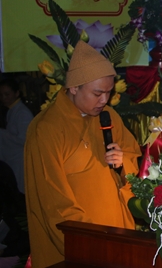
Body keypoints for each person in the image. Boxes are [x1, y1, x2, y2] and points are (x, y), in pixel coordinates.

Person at [24, 41, 140, 268]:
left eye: (109, 92)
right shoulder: (47, 129)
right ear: (74, 87)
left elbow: (132, 156)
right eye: (97, 93)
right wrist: (91, 244)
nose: (104, 100)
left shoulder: (109, 116)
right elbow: (54, 202)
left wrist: (122, 163)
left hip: (116, 233)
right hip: (83, 244)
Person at [0, 79, 33, 194]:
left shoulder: (22, 112)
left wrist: (3, 134)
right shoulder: (13, 110)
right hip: (15, 158)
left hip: (20, 158)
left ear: (17, 93)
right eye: (1, 95)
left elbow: (25, 139)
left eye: (7, 94)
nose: (4, 98)